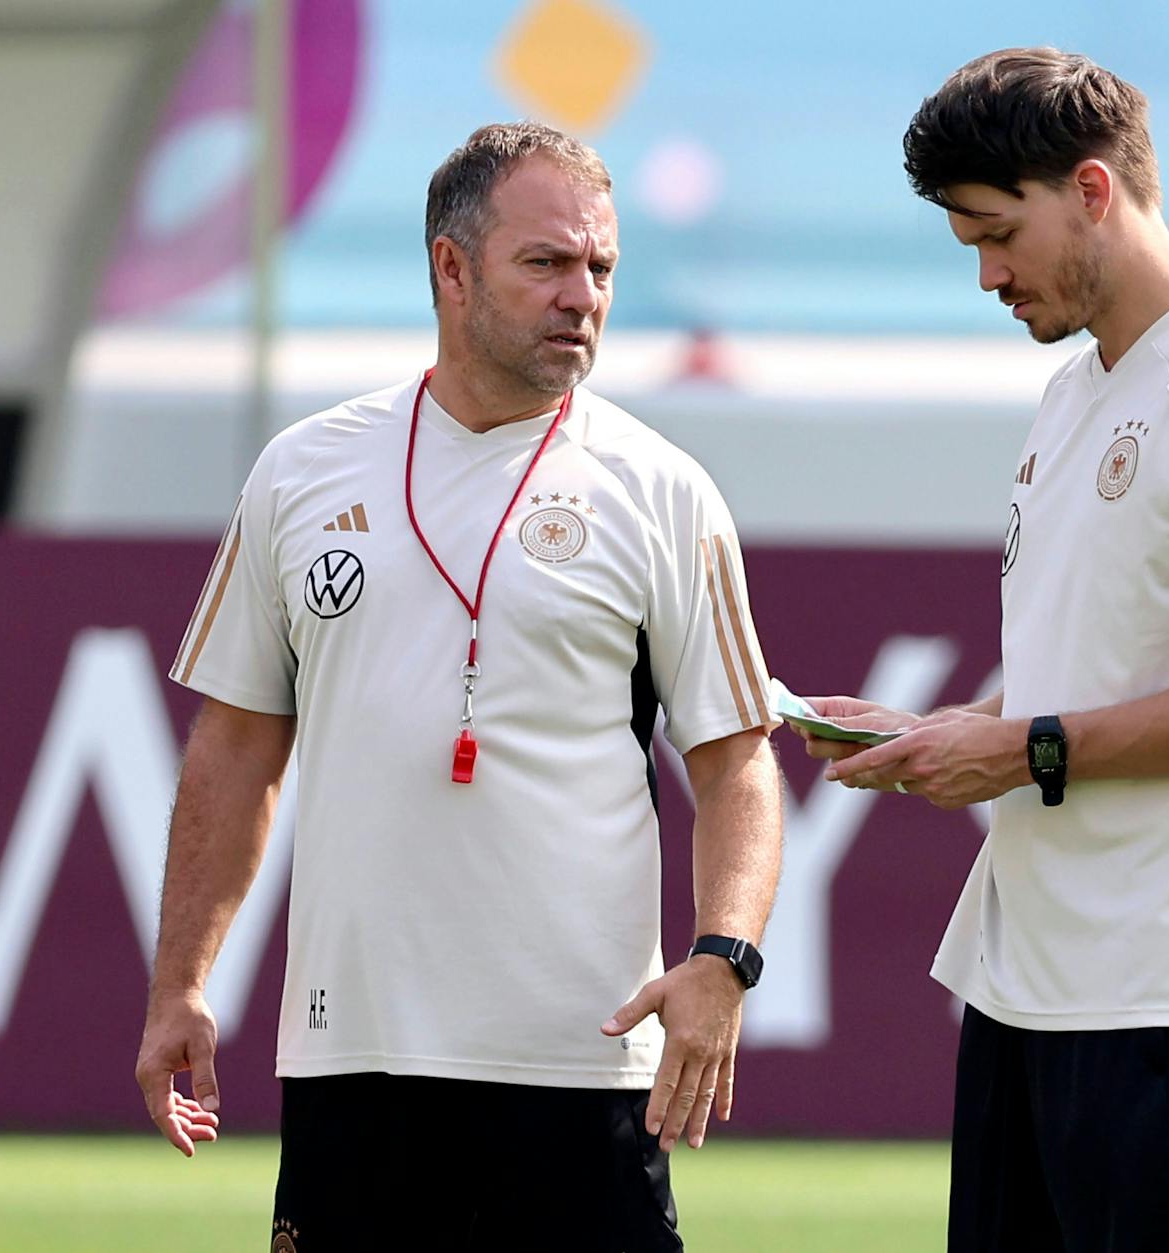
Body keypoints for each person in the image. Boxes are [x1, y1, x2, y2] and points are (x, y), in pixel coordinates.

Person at [134, 122, 783, 1252]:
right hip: (356, 1059)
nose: (581, 295)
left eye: (600, 269)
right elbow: (235, 748)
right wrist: (181, 981)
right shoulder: (301, 470)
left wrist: (723, 958)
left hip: (578, 1063)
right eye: (545, 263)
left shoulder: (663, 490)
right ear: (450, 266)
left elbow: (736, 761)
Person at [800, 49, 1169, 1253]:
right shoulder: (1070, 393)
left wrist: (1027, 747)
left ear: (1093, 192)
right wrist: (947, 733)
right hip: (1025, 983)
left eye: (997, 235)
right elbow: (1090, 662)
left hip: (1163, 992)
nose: (988, 274)